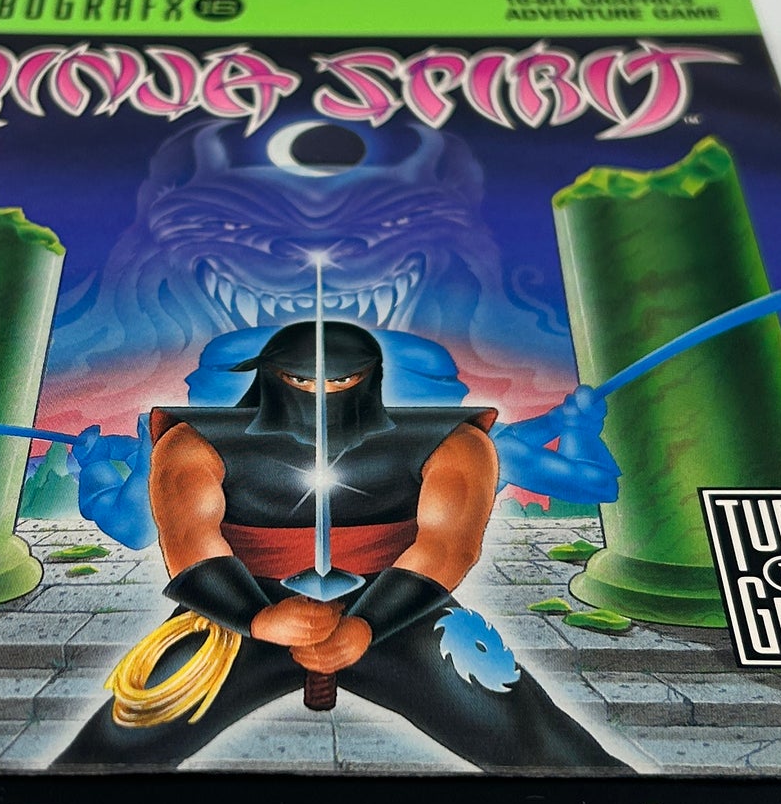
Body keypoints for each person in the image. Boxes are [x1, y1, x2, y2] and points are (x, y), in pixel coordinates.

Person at [53, 321, 628, 773]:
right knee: (114, 746)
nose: (321, 395)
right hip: (240, 606)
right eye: (302, 381)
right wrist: (259, 618)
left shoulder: (454, 444)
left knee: (541, 744)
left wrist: (366, 625)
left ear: (371, 378)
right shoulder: (191, 443)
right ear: (269, 377)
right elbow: (190, 542)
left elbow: (446, 547)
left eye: (341, 382)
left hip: (400, 605)